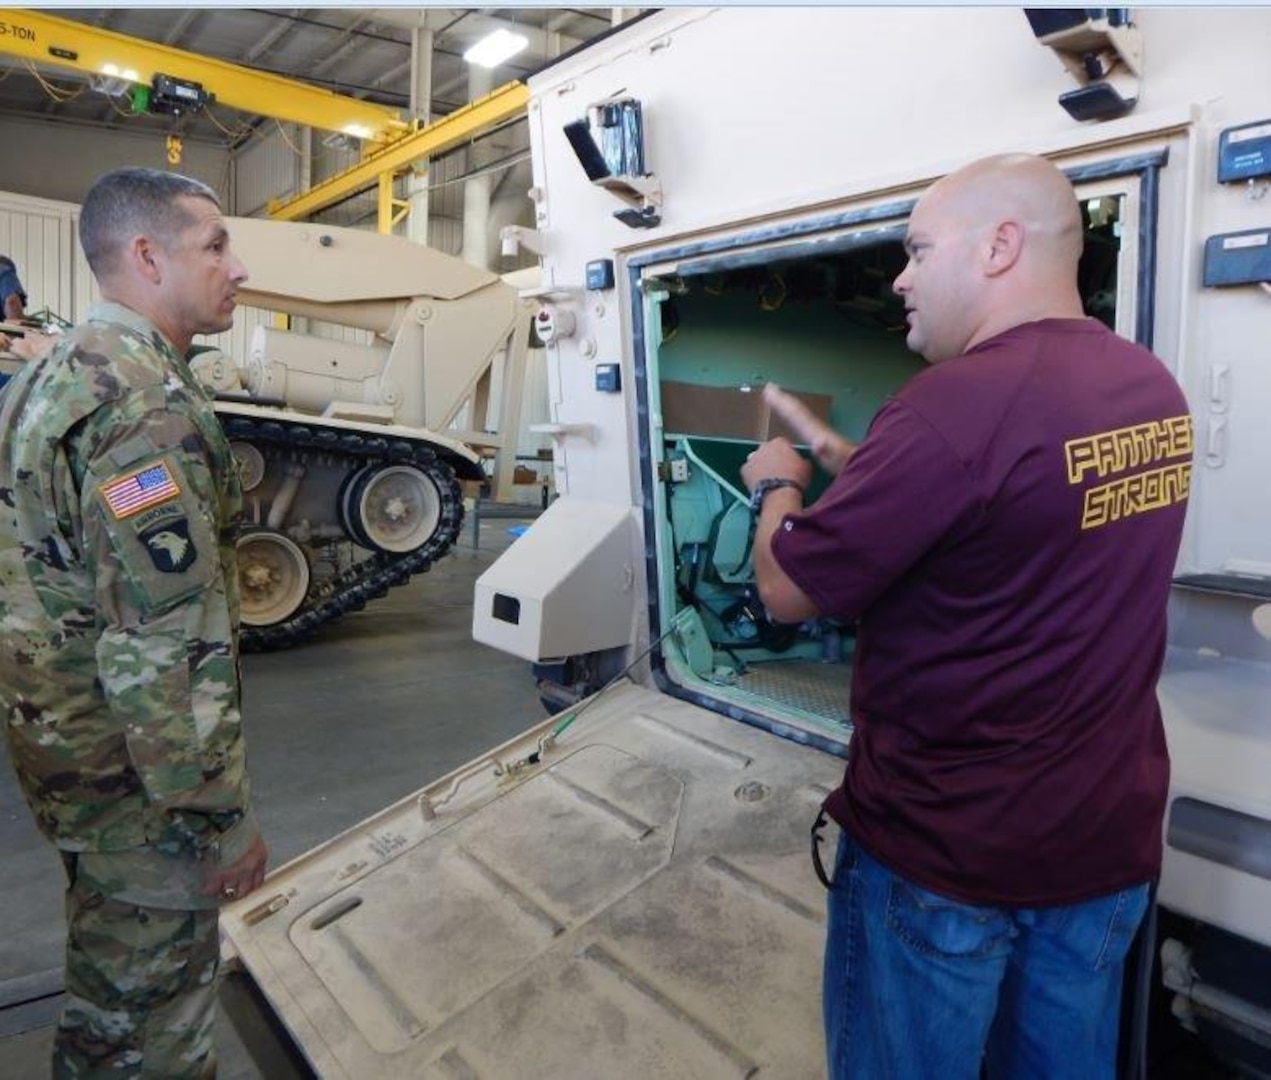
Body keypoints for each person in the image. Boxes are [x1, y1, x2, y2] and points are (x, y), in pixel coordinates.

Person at [741, 153, 1191, 1079]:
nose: (899, 278)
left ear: (996, 247)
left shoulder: (951, 406)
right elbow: (999, 504)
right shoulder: (1147, 387)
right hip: (1101, 844)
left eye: (915, 251)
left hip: (948, 857)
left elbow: (788, 591)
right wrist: (842, 452)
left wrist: (780, 484)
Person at [0, 168, 266, 1077]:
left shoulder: (49, 376)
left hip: (68, 757)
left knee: (110, 998)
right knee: (152, 1026)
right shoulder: (145, 405)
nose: (239, 267)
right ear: (147, 257)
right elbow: (163, 649)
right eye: (217, 245)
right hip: (142, 795)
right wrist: (218, 823)